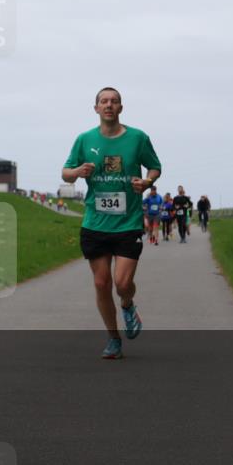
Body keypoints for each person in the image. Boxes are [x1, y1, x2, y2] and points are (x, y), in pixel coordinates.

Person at [62, 87, 161, 360]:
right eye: (104, 101)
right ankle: (113, 338)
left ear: (120, 108)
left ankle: (128, 305)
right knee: (101, 283)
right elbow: (66, 174)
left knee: (122, 283)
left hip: (128, 223)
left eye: (114, 101)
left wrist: (147, 181)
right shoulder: (84, 140)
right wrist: (78, 171)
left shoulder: (138, 138)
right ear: (96, 108)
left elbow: (155, 166)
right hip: (95, 222)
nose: (109, 105)